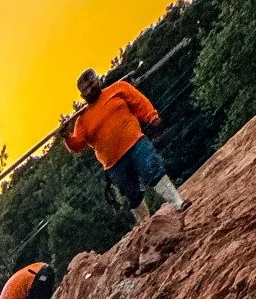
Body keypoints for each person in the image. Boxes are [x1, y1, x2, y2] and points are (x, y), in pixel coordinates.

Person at [60, 69, 184, 214]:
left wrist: (152, 117)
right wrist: (66, 137)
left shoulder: (119, 88)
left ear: (98, 80)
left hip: (136, 143)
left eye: (92, 83)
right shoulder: (81, 120)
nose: (90, 88)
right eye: (86, 88)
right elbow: (77, 145)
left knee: (153, 171)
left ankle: (178, 203)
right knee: (132, 195)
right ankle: (145, 226)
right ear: (82, 95)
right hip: (114, 163)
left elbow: (139, 101)